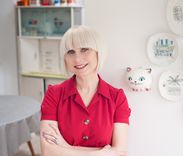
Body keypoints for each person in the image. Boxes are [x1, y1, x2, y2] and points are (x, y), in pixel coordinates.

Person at [40, 25, 131, 156]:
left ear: (98, 52)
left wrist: (64, 147)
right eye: (71, 52)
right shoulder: (54, 94)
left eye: (84, 50)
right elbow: (47, 151)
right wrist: (102, 153)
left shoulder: (117, 98)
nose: (77, 59)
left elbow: (120, 153)